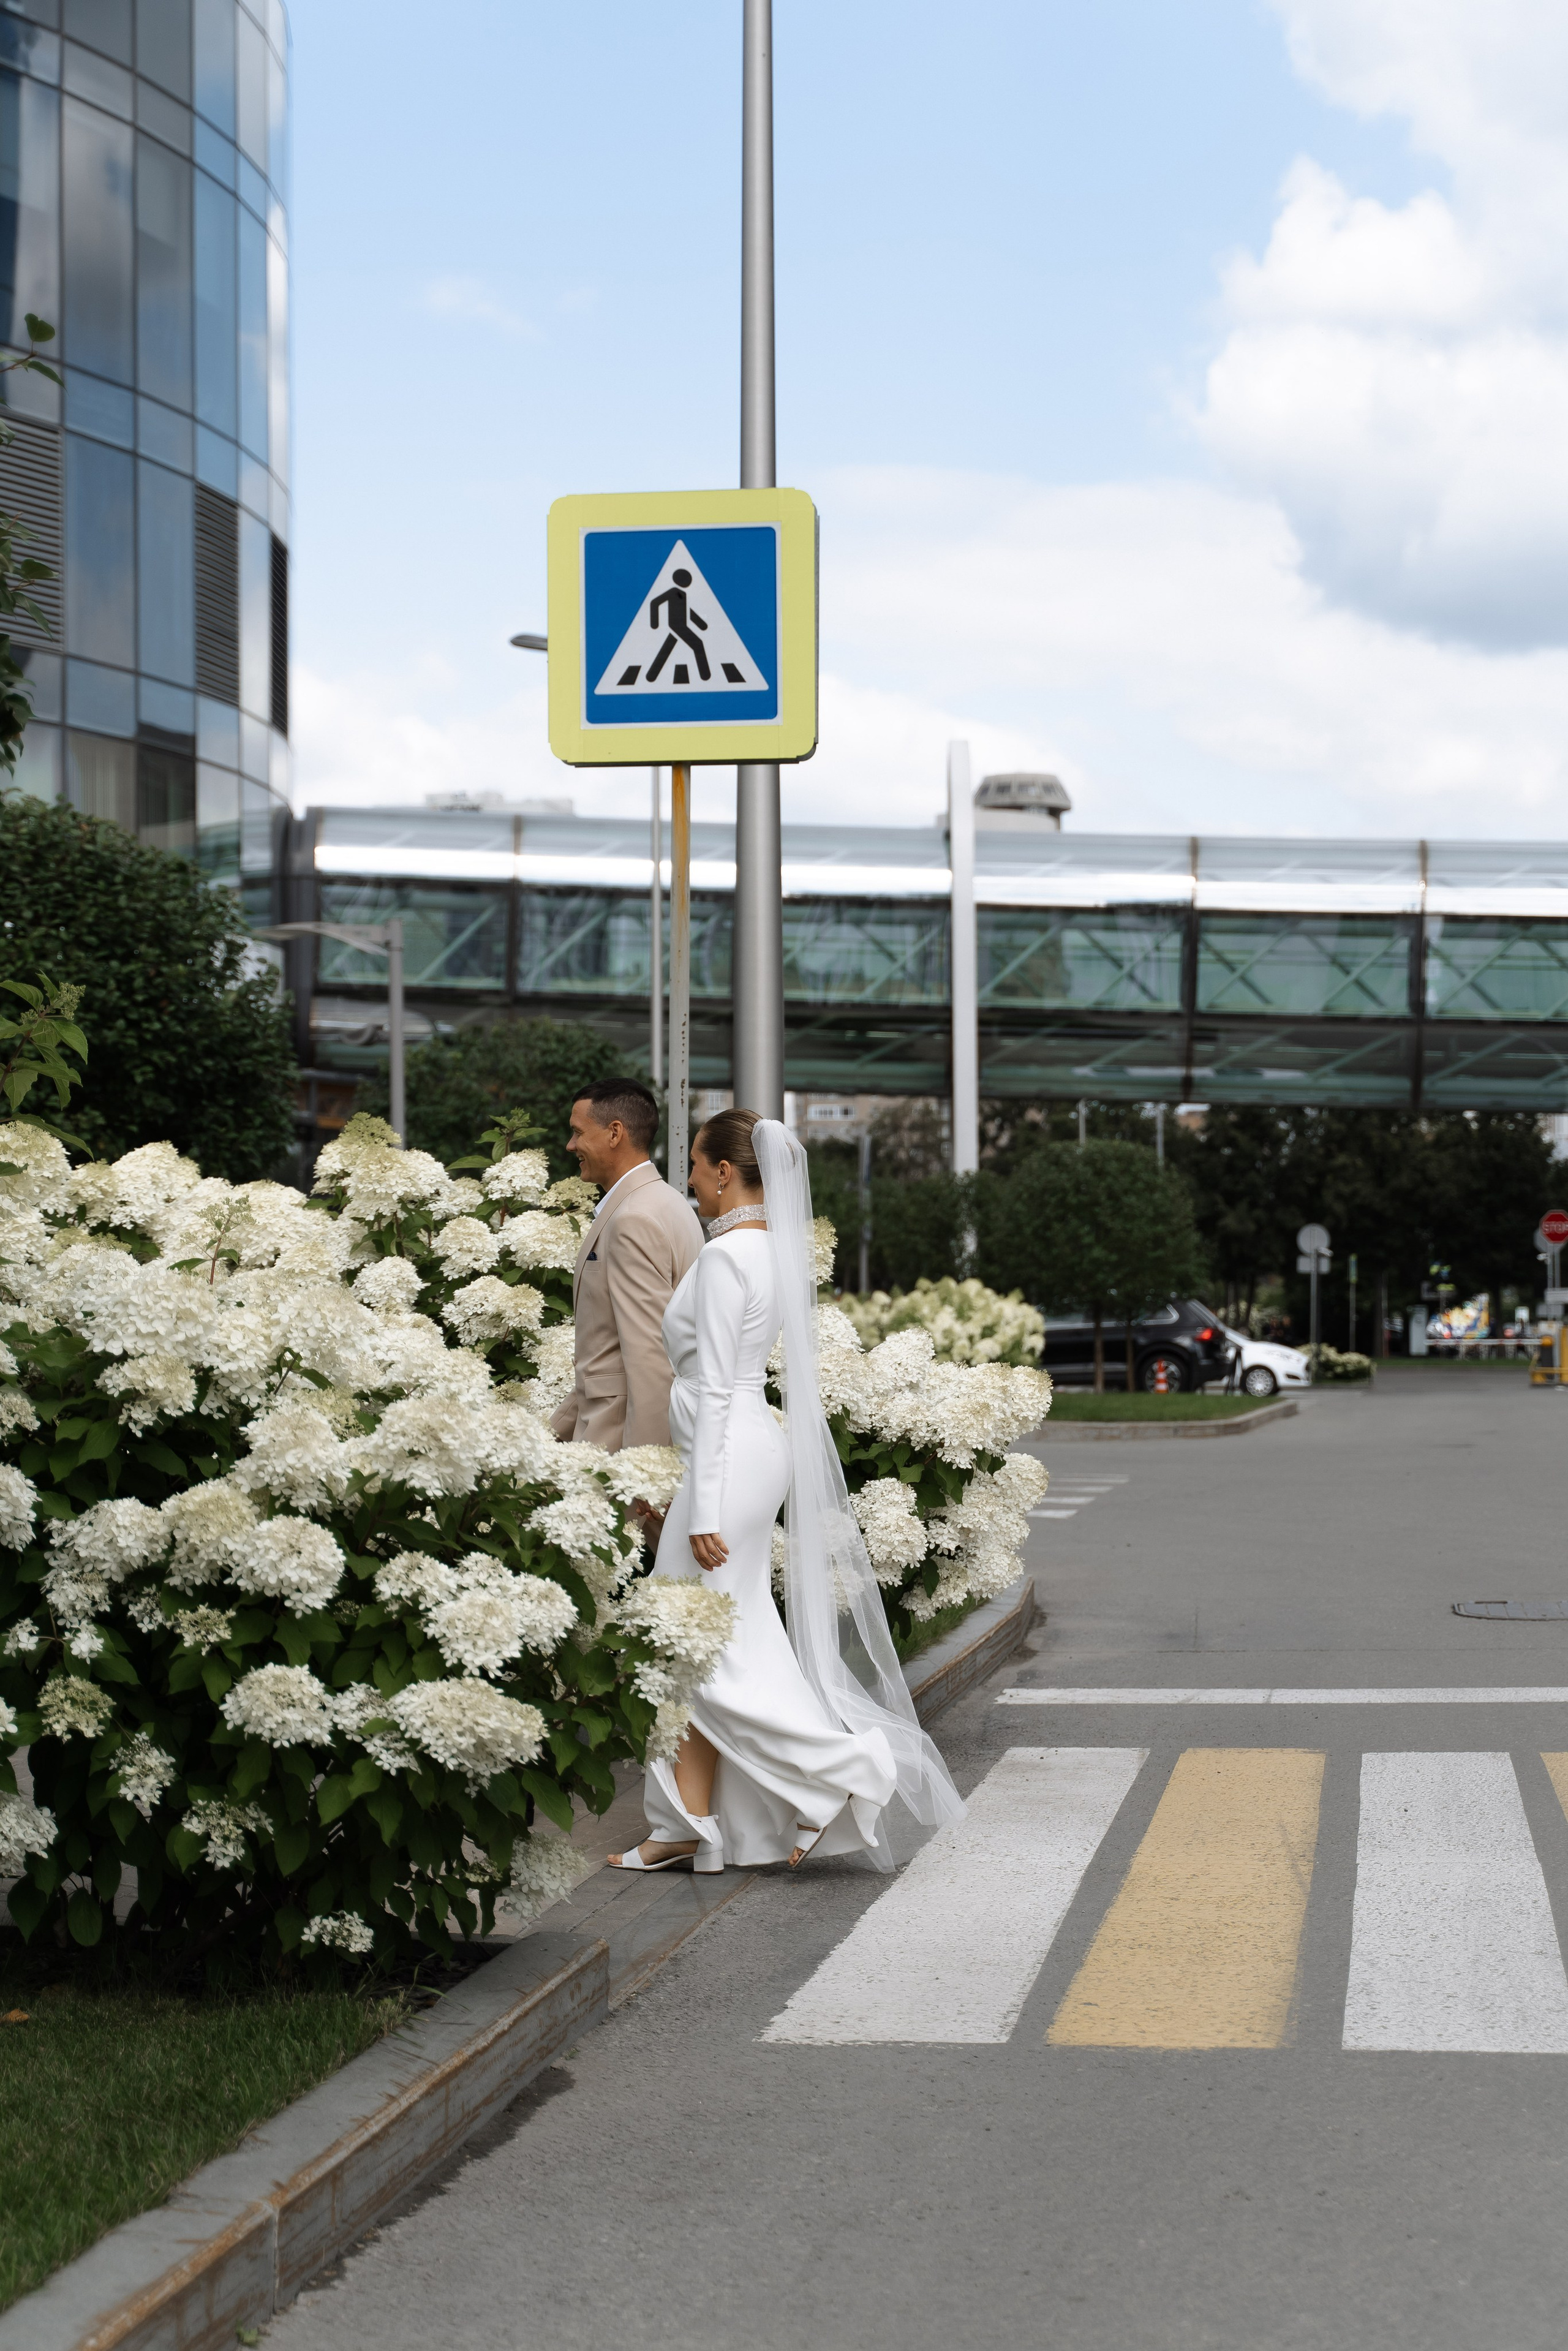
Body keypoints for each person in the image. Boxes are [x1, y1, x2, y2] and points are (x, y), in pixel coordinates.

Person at [610, 1109, 965, 1874]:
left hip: (726, 1455)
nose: (693, 1182)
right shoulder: (771, 1251)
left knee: (687, 1642)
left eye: (698, 1168)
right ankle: (687, 1821)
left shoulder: (723, 1259)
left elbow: (708, 1391)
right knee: (710, 1645)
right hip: (741, 1451)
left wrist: (699, 1505)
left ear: (726, 1172)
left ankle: (841, 1772)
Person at [551, 1079, 703, 1453]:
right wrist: (549, 1434)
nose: (571, 1146)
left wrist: (644, 1478)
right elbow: (606, 1357)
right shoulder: (668, 1202)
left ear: (615, 1133)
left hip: (615, 1444)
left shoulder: (632, 1218)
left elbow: (651, 1359)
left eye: (578, 1133)